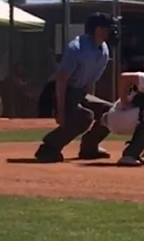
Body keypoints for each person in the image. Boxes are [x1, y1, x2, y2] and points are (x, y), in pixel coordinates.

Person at [33, 12, 119, 163]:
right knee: (84, 117)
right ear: (97, 29)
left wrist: (89, 102)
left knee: (111, 112)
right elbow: (61, 80)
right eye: (107, 28)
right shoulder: (77, 48)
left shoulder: (104, 50)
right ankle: (49, 147)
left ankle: (89, 147)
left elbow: (90, 82)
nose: (111, 31)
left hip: (79, 92)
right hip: (57, 91)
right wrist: (61, 111)